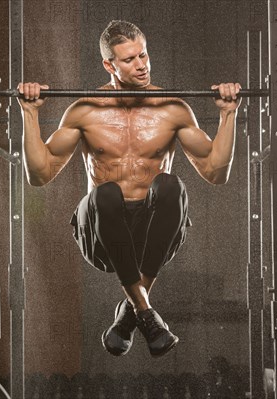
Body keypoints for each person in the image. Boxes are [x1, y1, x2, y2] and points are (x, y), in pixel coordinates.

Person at [18, 20, 241, 358]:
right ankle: (144, 310)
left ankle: (134, 311)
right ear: (109, 65)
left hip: (153, 236)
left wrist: (228, 115)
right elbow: (39, 174)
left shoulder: (172, 109)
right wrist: (30, 114)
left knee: (170, 185)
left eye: (144, 55)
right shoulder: (85, 111)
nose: (141, 65)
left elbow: (215, 172)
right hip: (101, 235)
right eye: (129, 60)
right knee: (107, 193)